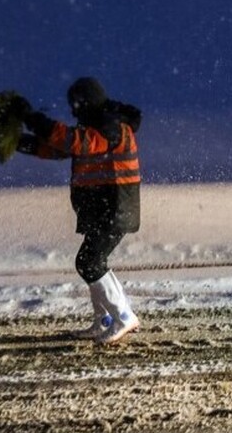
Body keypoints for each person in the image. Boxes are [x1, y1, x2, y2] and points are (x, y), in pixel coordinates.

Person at [9, 77, 143, 344]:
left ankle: (123, 317)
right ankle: (105, 319)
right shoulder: (99, 125)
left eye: (76, 104)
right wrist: (15, 141)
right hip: (102, 209)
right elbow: (58, 148)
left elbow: (70, 141)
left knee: (89, 262)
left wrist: (30, 118)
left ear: (87, 102)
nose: (72, 111)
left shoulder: (109, 127)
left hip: (114, 209)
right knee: (93, 261)